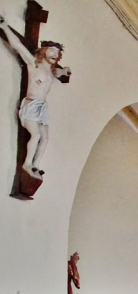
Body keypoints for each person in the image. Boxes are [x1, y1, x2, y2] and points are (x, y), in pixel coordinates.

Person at [0, 15, 71, 178]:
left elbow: (64, 71)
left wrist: (66, 69)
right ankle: (27, 164)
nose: (55, 54)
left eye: (58, 52)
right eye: (52, 50)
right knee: (36, 134)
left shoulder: (52, 72)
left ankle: (36, 166)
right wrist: (5, 27)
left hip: (42, 107)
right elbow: (18, 46)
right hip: (31, 104)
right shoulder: (34, 64)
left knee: (45, 138)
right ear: (44, 50)